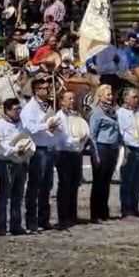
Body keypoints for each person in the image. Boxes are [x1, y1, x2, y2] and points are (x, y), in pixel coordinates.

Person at [20, 76, 57, 232]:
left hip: (48, 147)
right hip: (38, 149)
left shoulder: (47, 106)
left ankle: (44, 218)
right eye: (45, 88)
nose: (48, 91)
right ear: (36, 91)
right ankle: (31, 220)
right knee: (35, 186)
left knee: (46, 186)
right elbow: (29, 128)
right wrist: (46, 125)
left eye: (48, 88)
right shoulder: (30, 108)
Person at [0, 98, 29, 236]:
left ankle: (16, 223)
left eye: (19, 109)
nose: (18, 112)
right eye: (15, 109)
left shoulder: (20, 123)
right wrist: (13, 150)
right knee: (4, 194)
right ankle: (0, 225)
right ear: (7, 111)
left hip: (20, 162)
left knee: (18, 194)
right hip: (6, 162)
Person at [88, 84, 120, 223]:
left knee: (107, 181)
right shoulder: (96, 112)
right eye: (108, 95)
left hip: (112, 148)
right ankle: (96, 213)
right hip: (101, 147)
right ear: (100, 96)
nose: (110, 97)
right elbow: (92, 135)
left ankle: (104, 211)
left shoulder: (112, 111)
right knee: (99, 182)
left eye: (111, 95)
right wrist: (95, 154)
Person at [54, 90, 85, 229]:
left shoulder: (75, 116)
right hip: (64, 153)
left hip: (75, 152)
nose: (72, 101)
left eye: (73, 98)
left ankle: (72, 215)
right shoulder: (59, 117)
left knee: (74, 185)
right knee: (65, 185)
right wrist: (77, 140)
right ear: (62, 101)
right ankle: (63, 217)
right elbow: (63, 138)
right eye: (69, 99)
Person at [116, 87, 139, 218]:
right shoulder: (121, 113)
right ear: (126, 99)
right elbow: (121, 133)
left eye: (137, 97)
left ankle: (135, 205)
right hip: (130, 148)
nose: (137, 100)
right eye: (134, 97)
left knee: (137, 180)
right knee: (127, 180)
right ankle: (126, 208)